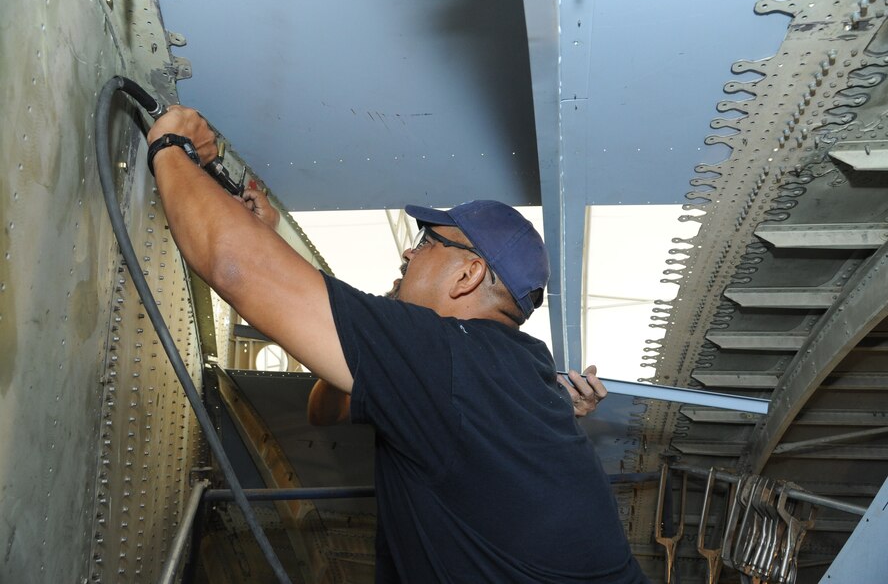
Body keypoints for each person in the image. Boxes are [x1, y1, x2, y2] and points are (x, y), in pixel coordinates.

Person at [147, 105, 648, 583]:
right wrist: (271, 238)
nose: (410, 249)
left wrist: (171, 143)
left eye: (429, 240)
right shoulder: (518, 367)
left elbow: (235, 266)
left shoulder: (447, 358)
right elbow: (326, 407)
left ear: (468, 274)